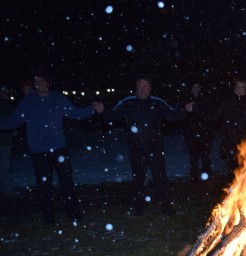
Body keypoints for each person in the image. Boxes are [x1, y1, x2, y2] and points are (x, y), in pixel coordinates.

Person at [0, 70, 104, 224]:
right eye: (36, 81)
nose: (39, 83)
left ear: (47, 83)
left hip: (59, 149)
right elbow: (14, 121)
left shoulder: (58, 98)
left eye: (42, 80)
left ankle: (73, 214)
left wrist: (91, 108)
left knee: (67, 183)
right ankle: (48, 218)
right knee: (44, 187)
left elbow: (75, 113)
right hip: (38, 151)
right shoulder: (28, 102)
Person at [102, 74, 193, 216]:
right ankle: (138, 207)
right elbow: (113, 115)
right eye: (140, 86)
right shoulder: (128, 103)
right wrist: (103, 111)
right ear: (136, 88)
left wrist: (186, 111)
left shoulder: (158, 102)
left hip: (155, 149)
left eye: (145, 86)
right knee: (138, 179)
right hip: (136, 150)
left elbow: (172, 116)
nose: (142, 89)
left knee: (161, 178)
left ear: (150, 88)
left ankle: (166, 207)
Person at [181, 80, 219, 182]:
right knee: (193, 155)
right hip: (191, 133)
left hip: (205, 132)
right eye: (194, 87)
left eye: (198, 87)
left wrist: (210, 131)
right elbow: (183, 116)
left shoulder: (206, 100)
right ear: (191, 88)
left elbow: (210, 116)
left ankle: (207, 173)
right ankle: (194, 175)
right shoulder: (186, 100)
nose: (196, 89)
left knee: (205, 154)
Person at [218, 78, 246, 178]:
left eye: (243, 87)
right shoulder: (228, 102)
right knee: (232, 171)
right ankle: (232, 191)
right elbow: (214, 115)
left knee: (245, 170)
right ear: (235, 89)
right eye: (238, 87)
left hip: (245, 143)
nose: (240, 89)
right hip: (230, 142)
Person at [0, 83, 18, 196]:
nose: (4, 93)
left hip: (5, 141)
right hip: (4, 140)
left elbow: (13, 120)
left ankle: (6, 190)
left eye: (5, 91)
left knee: (5, 167)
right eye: (2, 91)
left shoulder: (8, 104)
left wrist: (13, 131)